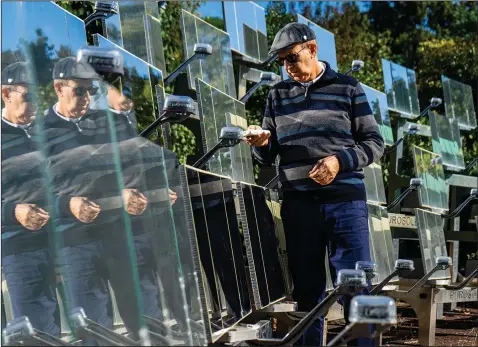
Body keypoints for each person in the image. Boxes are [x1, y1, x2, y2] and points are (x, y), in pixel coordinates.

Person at [244, 23, 384, 346]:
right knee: (306, 294)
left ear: (312, 49)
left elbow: (375, 143)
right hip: (298, 207)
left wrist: (339, 161)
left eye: (291, 58)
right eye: (281, 62)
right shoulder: (277, 95)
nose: (287, 68)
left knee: (358, 286)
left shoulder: (348, 88)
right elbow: (266, 158)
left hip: (346, 203)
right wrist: (261, 143)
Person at [1, 62, 60, 336]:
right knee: (36, 336)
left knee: (65, 331)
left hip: (60, 244)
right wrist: (15, 212)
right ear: (5, 94)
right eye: (27, 96)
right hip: (19, 251)